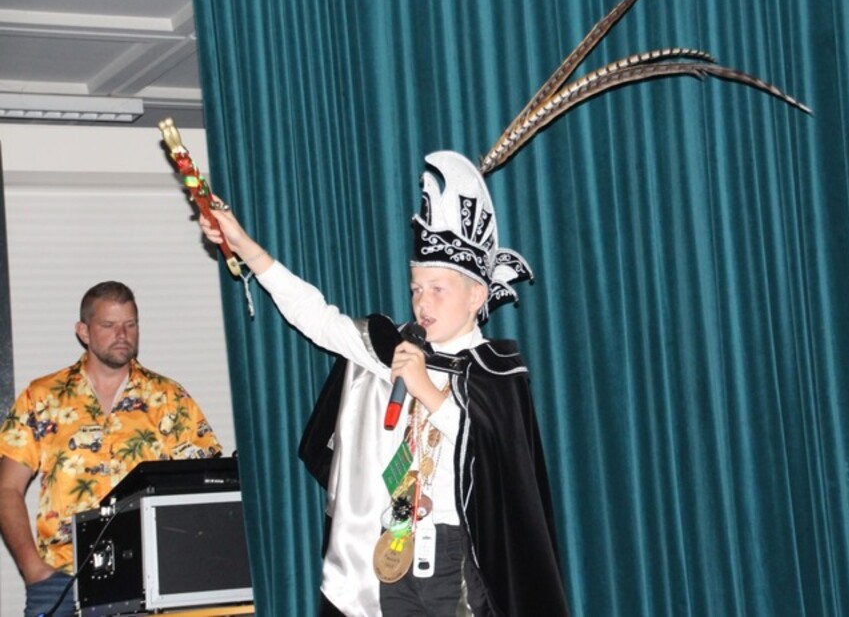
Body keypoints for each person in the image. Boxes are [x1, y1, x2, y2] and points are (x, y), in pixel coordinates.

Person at [200, 150, 569, 616]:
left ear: (477, 295)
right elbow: (317, 317)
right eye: (416, 289)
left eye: (438, 289)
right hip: (394, 546)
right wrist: (246, 247)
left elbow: (492, 457)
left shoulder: (495, 371)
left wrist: (426, 389)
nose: (423, 303)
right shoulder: (390, 348)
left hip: (455, 558)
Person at [0, 281, 223, 617]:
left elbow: (207, 486)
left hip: (149, 583)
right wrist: (32, 568)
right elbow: (7, 488)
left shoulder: (169, 399)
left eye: (130, 324)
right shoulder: (43, 397)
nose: (122, 334)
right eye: (109, 325)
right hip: (61, 581)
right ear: (84, 331)